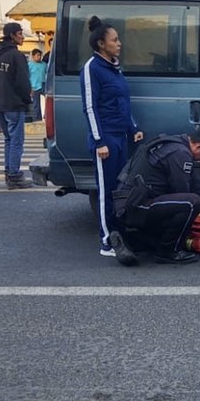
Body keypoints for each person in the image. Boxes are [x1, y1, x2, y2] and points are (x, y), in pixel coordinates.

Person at [116, 129, 200, 265]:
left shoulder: (174, 143)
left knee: (184, 207)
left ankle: (130, 240)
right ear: (199, 146)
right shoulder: (180, 153)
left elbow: (197, 185)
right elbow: (183, 191)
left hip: (130, 204)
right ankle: (168, 251)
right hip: (136, 205)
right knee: (192, 203)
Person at [80, 16, 144, 261]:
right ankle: (106, 241)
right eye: (114, 40)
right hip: (105, 139)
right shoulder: (91, 69)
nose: (119, 43)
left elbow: (122, 103)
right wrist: (99, 142)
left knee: (119, 190)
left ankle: (118, 234)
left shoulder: (115, 68)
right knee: (106, 191)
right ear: (101, 44)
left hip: (119, 137)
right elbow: (90, 108)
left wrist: (133, 127)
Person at [0, 22, 34, 189]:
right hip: (13, 104)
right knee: (16, 141)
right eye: (20, 33)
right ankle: (14, 175)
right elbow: (22, 82)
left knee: (8, 139)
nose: (22, 37)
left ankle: (9, 172)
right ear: (12, 35)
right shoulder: (16, 56)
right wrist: (27, 100)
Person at [28, 48, 46, 122]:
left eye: (40, 55)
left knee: (49, 101)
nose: (39, 57)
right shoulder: (29, 65)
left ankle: (46, 116)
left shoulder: (44, 64)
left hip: (43, 85)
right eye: (37, 55)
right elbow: (27, 76)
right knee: (36, 105)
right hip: (34, 87)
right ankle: (37, 120)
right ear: (33, 56)